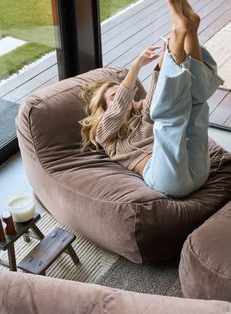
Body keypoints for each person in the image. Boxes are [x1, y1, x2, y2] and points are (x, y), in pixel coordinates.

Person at [79, 0, 224, 198]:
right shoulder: (105, 134)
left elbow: (160, 96)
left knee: (195, 104)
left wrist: (166, 59)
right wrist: (135, 67)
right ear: (104, 108)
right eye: (114, 96)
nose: (124, 97)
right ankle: (180, 30)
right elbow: (121, 110)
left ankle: (190, 30)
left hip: (196, 169)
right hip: (167, 179)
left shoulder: (143, 111)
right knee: (168, 119)